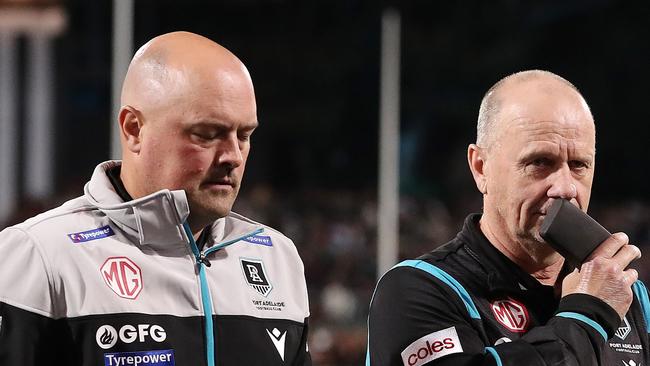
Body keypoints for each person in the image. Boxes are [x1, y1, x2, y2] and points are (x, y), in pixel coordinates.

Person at [0, 31, 311, 366]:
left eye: (245, 135)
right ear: (134, 129)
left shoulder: (278, 258)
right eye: (207, 134)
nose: (233, 156)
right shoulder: (37, 256)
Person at [366, 70, 649, 365]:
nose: (565, 187)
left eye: (579, 165)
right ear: (481, 168)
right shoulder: (416, 291)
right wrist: (587, 315)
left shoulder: (627, 294)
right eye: (540, 162)